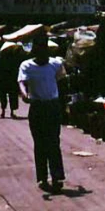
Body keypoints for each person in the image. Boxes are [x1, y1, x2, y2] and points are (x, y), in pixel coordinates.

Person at [18, 32, 67, 192]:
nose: (42, 50)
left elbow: (62, 82)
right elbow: (22, 82)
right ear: (34, 49)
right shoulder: (26, 65)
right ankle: (42, 178)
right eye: (38, 47)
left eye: (44, 46)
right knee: (40, 143)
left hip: (52, 106)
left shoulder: (55, 64)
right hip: (37, 107)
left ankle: (57, 176)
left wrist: (63, 104)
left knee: (54, 142)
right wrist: (25, 95)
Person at [0, 42, 22, 118]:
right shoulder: (13, 58)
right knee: (11, 96)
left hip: (5, 79)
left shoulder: (1, 58)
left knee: (5, 96)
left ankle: (5, 111)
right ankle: (9, 112)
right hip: (9, 79)